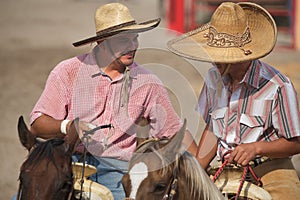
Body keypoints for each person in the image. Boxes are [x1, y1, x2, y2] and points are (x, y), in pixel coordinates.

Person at [27, 3, 198, 200]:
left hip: (120, 172)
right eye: (123, 40)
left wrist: (202, 168)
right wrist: (69, 127)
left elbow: (174, 131)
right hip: (69, 165)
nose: (132, 46)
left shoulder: (147, 83)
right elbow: (38, 125)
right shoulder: (67, 72)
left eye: (134, 38)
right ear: (101, 42)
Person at [167, 2, 300, 199]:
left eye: (223, 57)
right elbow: (213, 129)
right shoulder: (213, 78)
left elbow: (296, 143)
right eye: (213, 55)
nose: (215, 62)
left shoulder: (278, 85)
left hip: (271, 171)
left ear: (245, 54)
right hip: (225, 169)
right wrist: (195, 172)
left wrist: (256, 148)